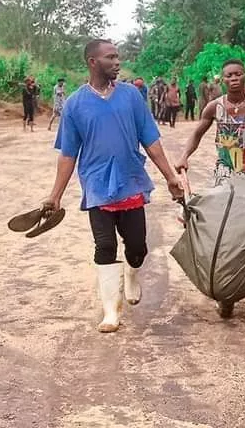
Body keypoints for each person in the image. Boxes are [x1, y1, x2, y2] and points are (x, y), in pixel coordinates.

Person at [44, 39, 184, 333]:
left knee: (137, 248)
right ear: (92, 62)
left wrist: (170, 176)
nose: (117, 62)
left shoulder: (132, 96)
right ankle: (111, 312)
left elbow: (151, 141)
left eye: (118, 57)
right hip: (96, 185)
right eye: (110, 57)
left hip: (130, 181)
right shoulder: (75, 105)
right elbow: (68, 155)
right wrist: (54, 196)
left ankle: (132, 275)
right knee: (104, 246)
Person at [175, 58, 245, 318]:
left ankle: (236, 282)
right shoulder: (214, 107)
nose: (233, 79)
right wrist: (184, 155)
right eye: (228, 75)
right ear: (222, 80)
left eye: (238, 74)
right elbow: (197, 134)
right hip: (224, 173)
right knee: (220, 225)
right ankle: (224, 289)